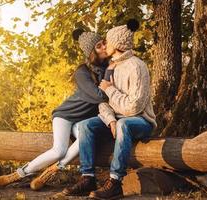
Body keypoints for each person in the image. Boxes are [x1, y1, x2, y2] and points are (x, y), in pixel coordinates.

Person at [0, 28, 110, 191]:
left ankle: (50, 172)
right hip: (65, 115)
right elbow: (99, 96)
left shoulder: (110, 68)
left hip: (83, 121)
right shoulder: (82, 72)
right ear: (91, 52)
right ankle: (18, 175)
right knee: (58, 150)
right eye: (99, 46)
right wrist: (106, 88)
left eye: (104, 43)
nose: (104, 47)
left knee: (85, 138)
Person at [62, 19, 157, 199]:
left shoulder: (137, 66)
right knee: (85, 126)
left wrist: (110, 91)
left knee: (124, 125)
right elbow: (104, 102)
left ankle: (115, 182)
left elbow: (134, 107)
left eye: (108, 41)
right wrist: (110, 119)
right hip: (117, 119)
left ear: (118, 44)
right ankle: (88, 177)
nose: (106, 45)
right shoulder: (111, 67)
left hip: (141, 121)